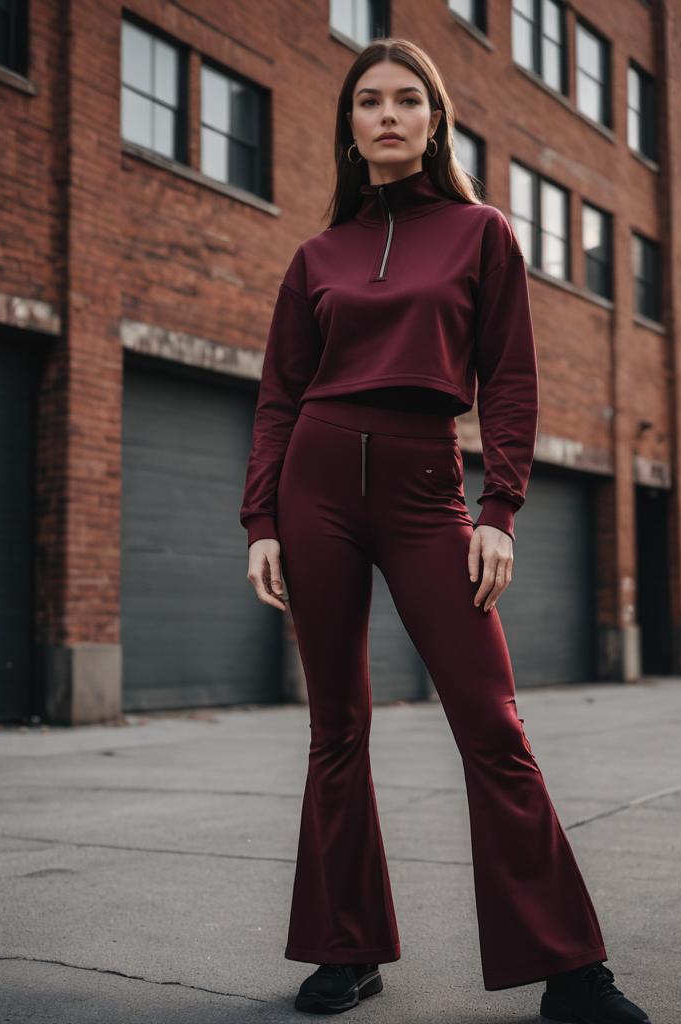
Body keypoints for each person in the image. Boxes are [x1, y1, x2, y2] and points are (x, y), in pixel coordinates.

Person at [240, 37, 651, 1024]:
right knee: (334, 725)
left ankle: (570, 969)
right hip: (318, 480)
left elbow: (509, 379)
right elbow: (276, 397)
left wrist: (499, 509)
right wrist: (261, 519)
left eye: (406, 100)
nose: (386, 113)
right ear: (348, 124)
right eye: (368, 100)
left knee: (492, 722)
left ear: (433, 121)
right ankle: (346, 949)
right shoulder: (315, 258)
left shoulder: (480, 234)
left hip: (430, 486)